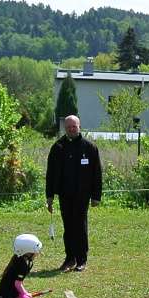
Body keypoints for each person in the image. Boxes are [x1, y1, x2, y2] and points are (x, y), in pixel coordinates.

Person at [45, 115, 102, 272]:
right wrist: (49, 196)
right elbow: (50, 174)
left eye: (74, 126)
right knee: (68, 227)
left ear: (79, 127)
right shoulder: (58, 147)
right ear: (65, 128)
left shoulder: (89, 148)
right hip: (65, 195)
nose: (71, 129)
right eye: (68, 127)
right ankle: (70, 259)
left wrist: (96, 196)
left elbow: (97, 173)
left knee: (80, 226)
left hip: (82, 195)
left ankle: (82, 260)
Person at [0, 233, 42, 298]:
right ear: (27, 252)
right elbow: (17, 284)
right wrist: (26, 294)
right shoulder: (23, 266)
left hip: (6, 290)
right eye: (36, 252)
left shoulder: (17, 258)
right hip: (11, 294)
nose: (37, 253)